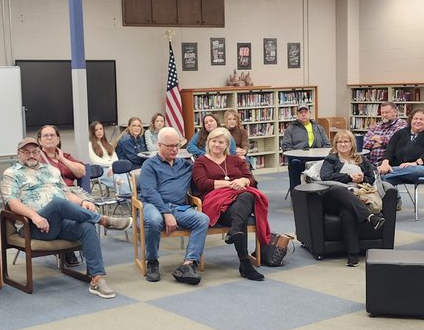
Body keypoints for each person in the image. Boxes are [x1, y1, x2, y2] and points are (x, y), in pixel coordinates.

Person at [1, 136, 132, 297]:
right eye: (26, 152)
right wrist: (34, 216)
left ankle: (97, 278)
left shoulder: (52, 171)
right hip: (33, 227)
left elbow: (68, 195)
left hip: (60, 223)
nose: (31, 155)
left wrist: (83, 201)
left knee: (87, 227)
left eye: (35, 152)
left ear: (39, 153)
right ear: (18, 154)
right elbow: (13, 203)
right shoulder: (11, 174)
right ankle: (104, 220)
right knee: (58, 204)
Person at [191, 128, 267, 281]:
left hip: (239, 201)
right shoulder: (201, 162)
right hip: (216, 204)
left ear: (227, 144)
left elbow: (251, 180)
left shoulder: (236, 160)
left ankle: (235, 231)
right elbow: (201, 184)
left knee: (247, 195)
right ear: (208, 142)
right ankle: (245, 264)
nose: (217, 145)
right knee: (242, 214)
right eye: (214, 141)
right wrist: (230, 184)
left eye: (221, 142)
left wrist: (243, 181)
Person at [138, 127, 209, 284]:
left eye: (177, 145)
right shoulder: (149, 165)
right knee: (154, 220)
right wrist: (166, 212)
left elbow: (202, 178)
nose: (175, 149)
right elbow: (150, 192)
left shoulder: (185, 165)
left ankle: (189, 264)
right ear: (159, 145)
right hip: (153, 205)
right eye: (170, 146)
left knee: (202, 219)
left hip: (178, 207)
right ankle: (152, 262)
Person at [318, 129, 387, 266]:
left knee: (348, 212)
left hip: (354, 197)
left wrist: (361, 179)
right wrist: (349, 177)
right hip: (333, 197)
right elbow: (325, 176)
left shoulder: (361, 159)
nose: (343, 144)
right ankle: (370, 217)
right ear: (335, 144)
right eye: (339, 142)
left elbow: (371, 177)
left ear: (352, 143)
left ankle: (353, 255)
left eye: (346, 141)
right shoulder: (331, 159)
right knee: (340, 189)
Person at [377, 108, 424, 186]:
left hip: (420, 168)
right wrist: (385, 163)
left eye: (421, 119)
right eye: (415, 119)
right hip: (399, 170)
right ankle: (394, 197)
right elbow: (389, 149)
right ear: (411, 120)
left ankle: (387, 171)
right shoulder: (400, 133)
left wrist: (415, 163)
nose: (418, 121)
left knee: (422, 170)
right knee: (386, 179)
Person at [281, 105, 331, 189]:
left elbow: (327, 144)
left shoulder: (318, 128)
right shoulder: (291, 128)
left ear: (310, 114)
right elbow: (286, 146)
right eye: (301, 113)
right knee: (294, 163)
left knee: (329, 163)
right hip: (299, 158)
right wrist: (296, 153)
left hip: (317, 158)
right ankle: (297, 192)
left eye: (306, 112)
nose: (303, 114)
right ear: (297, 115)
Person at [87, 119, 129, 196]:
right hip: (101, 171)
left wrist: (112, 167)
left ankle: (133, 199)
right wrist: (111, 165)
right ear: (93, 132)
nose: (99, 131)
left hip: (112, 169)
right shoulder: (89, 145)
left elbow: (115, 158)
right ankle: (130, 200)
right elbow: (96, 161)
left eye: (101, 129)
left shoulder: (108, 144)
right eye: (96, 130)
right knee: (119, 180)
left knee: (126, 177)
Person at [362, 101, 407, 167]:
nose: (384, 115)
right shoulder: (376, 126)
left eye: (387, 112)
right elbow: (364, 142)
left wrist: (375, 138)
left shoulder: (402, 124)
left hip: (389, 164)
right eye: (382, 113)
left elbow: (394, 141)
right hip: (370, 163)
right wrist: (383, 143)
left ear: (395, 112)